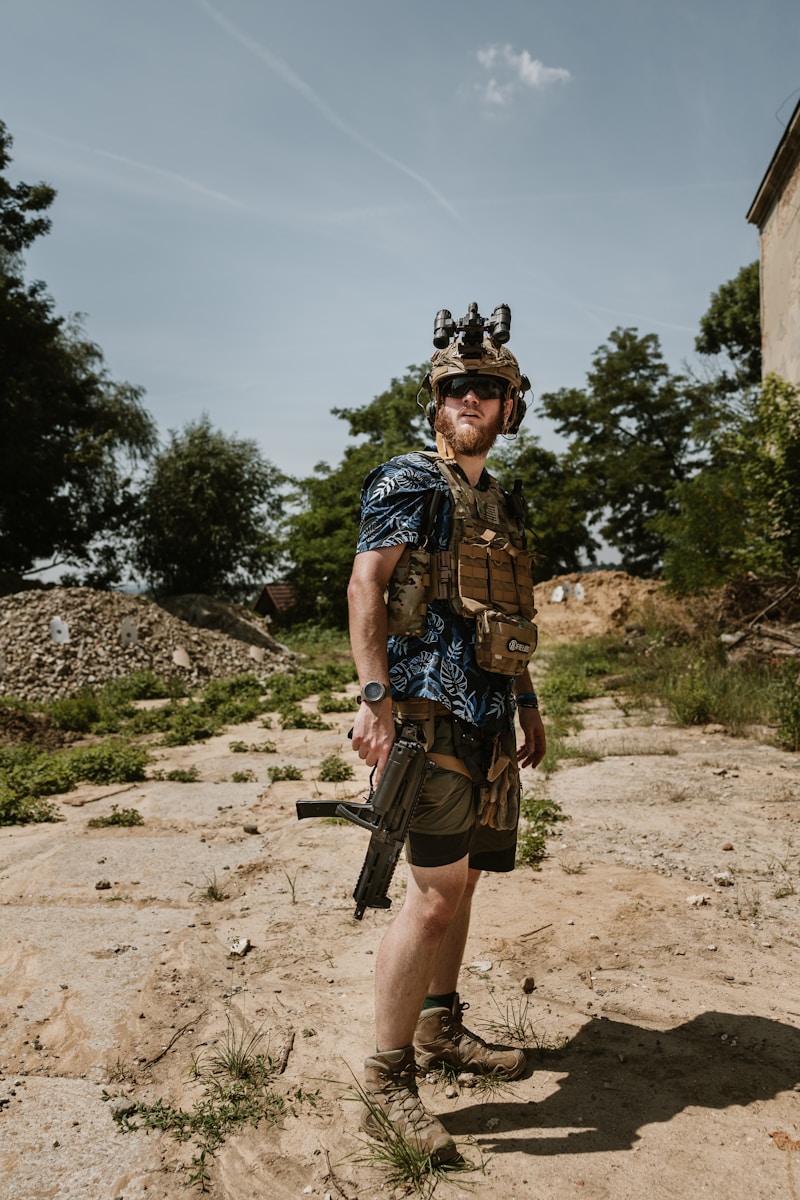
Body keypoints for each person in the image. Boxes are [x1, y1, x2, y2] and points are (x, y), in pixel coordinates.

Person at [347, 302, 547, 1162]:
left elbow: (507, 610)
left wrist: (529, 701)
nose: (471, 397)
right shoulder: (409, 481)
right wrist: (372, 696)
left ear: (509, 407)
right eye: (456, 386)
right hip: (425, 714)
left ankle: (439, 1026)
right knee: (431, 894)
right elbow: (366, 587)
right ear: (435, 403)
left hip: (490, 716)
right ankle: (387, 1082)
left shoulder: (498, 502)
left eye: (488, 388)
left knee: (462, 883)